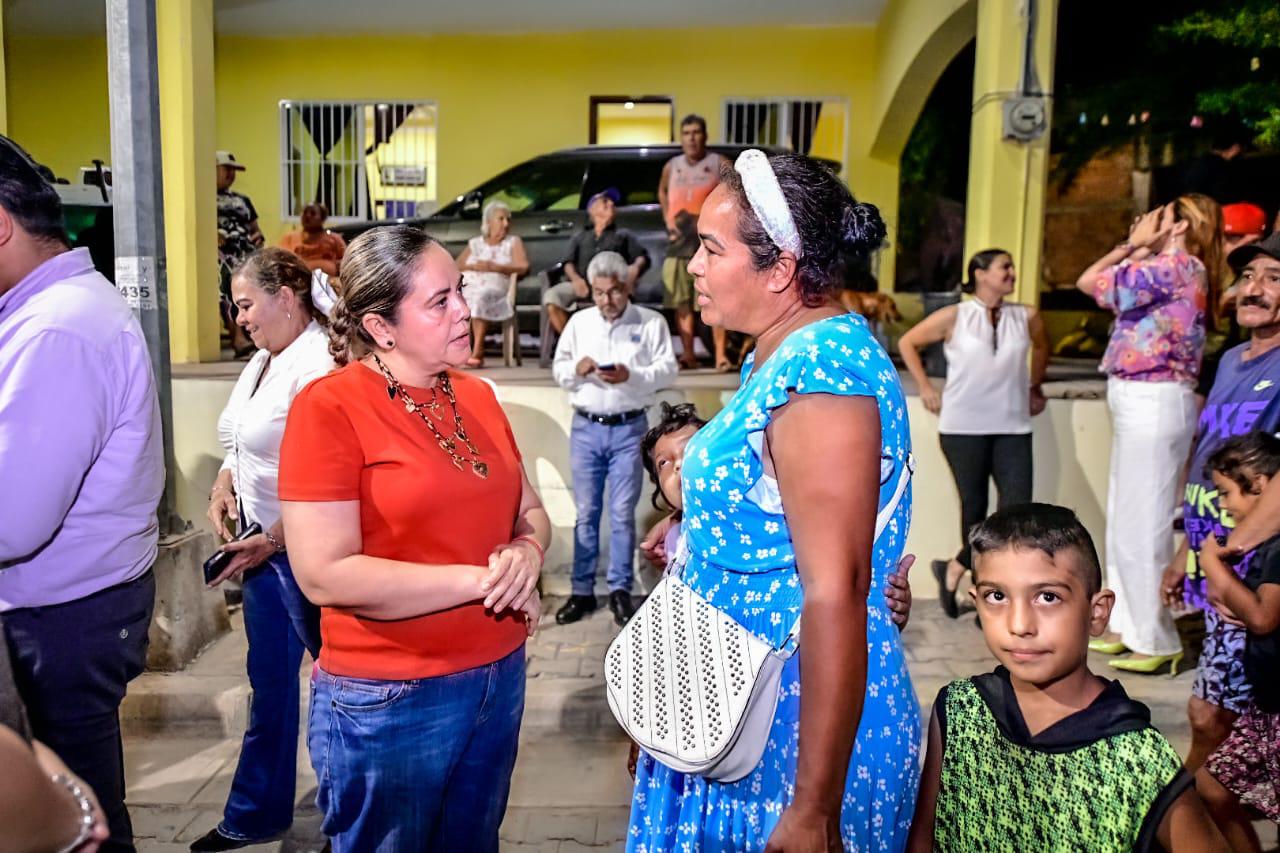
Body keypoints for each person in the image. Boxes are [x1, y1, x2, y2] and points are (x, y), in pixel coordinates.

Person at [628, 150, 919, 851]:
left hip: (785, 723)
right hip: (736, 696)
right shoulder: (777, 355)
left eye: (710, 248)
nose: (693, 266)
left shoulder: (824, 374)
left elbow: (835, 592)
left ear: (781, 268)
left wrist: (813, 807)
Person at [277, 225, 549, 850]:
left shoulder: (477, 395)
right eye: (440, 301)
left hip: (496, 675)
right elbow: (323, 572)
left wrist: (526, 553)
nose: (464, 310)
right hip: (391, 696)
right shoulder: (331, 408)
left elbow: (528, 510)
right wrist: (483, 580)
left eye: (461, 290)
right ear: (380, 327)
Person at [0, 134, 163, 853]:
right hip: (68, 606)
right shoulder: (49, 315)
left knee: (72, 819)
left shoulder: (60, 327)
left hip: (59, 618)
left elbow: (13, 520)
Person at [907, 504, 1228, 853]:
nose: (1019, 625)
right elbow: (925, 838)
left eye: (1048, 597)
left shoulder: (1136, 756)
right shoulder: (960, 709)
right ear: (976, 602)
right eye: (996, 596)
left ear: (1097, 612)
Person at [187, 249, 335, 852]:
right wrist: (226, 477)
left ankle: (349, 820)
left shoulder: (321, 362)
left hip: (305, 547)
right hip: (262, 549)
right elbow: (246, 437)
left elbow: (328, 472)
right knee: (268, 684)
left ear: (288, 294)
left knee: (340, 689)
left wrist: (273, 538)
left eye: (246, 304)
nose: (239, 317)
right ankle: (256, 811)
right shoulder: (263, 361)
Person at [1075, 194, 1223, 673]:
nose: (1146, 219)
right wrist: (1139, 247)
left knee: (1145, 523)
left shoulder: (1180, 266)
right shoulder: (1165, 266)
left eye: (1160, 214)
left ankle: (1157, 639)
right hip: (1137, 396)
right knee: (1124, 517)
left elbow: (1089, 282)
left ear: (1178, 226)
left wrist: (1128, 245)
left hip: (1156, 399)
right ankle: (1130, 624)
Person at [1160, 231, 1280, 772]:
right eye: (1249, 276)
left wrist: (1230, 549)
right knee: (1219, 710)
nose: (1254, 289)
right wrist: (1187, 546)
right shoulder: (1231, 359)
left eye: (1274, 279)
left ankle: (1190, 814)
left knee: (1215, 713)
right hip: (1215, 546)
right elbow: (1203, 449)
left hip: (1252, 558)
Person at [898, 248, 1049, 616]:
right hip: (963, 427)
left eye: (1012, 266)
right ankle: (987, 597)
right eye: (1004, 267)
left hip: (1013, 426)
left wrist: (1035, 384)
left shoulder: (1026, 315)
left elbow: (1042, 348)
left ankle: (955, 566)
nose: (1012, 273)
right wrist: (926, 387)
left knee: (1016, 513)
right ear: (980, 274)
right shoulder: (956, 316)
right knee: (975, 513)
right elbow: (907, 343)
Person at [552, 251, 677, 626]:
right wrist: (576, 369)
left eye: (615, 292)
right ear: (591, 290)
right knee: (586, 514)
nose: (607, 300)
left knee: (622, 515)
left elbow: (667, 370)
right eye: (600, 292)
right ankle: (581, 592)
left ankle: (620, 591)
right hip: (586, 427)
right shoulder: (579, 322)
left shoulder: (651, 322)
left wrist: (631, 376)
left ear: (628, 288)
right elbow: (560, 371)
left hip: (629, 428)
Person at [1194, 433, 1280, 851]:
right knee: (1211, 786)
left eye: (1227, 493)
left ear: (1262, 486)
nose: (1224, 505)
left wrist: (1214, 567)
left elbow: (1263, 617)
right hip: (1264, 707)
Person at [659, 115, 728, 370]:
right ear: (681, 137)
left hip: (708, 242)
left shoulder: (717, 163)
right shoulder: (672, 165)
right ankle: (689, 354)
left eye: (696, 132)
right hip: (678, 243)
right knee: (682, 302)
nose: (692, 137)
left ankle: (721, 356)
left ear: (705, 135)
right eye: (687, 133)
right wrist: (668, 219)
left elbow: (735, 191)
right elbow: (662, 191)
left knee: (716, 297)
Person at [542, 188, 648, 335]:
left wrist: (634, 268)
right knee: (552, 297)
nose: (610, 203)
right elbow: (568, 262)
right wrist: (576, 279)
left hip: (611, 285)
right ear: (592, 210)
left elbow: (641, 257)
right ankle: (573, 344)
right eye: (605, 201)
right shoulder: (580, 237)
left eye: (612, 202)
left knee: (617, 297)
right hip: (583, 284)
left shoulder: (623, 235)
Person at [454, 200, 529, 368]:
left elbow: (523, 267)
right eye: (501, 219)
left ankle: (478, 350)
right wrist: (473, 265)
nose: (506, 223)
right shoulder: (475, 243)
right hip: (470, 283)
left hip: (496, 286)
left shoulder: (513, 242)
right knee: (457, 297)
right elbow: (456, 265)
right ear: (488, 222)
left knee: (481, 296)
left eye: (508, 219)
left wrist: (496, 267)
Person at [217, 151, 264, 356]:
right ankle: (238, 337)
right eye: (226, 169)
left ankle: (257, 334)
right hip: (220, 255)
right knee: (228, 282)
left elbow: (255, 228)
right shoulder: (201, 199)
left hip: (246, 251)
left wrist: (258, 237)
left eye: (233, 171)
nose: (231, 174)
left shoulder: (242, 200)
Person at [278, 203, 346, 278]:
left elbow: (346, 260)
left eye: (313, 213)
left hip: (329, 284)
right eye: (305, 213)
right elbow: (280, 260)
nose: (308, 216)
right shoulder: (289, 238)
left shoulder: (334, 239)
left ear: (322, 218)